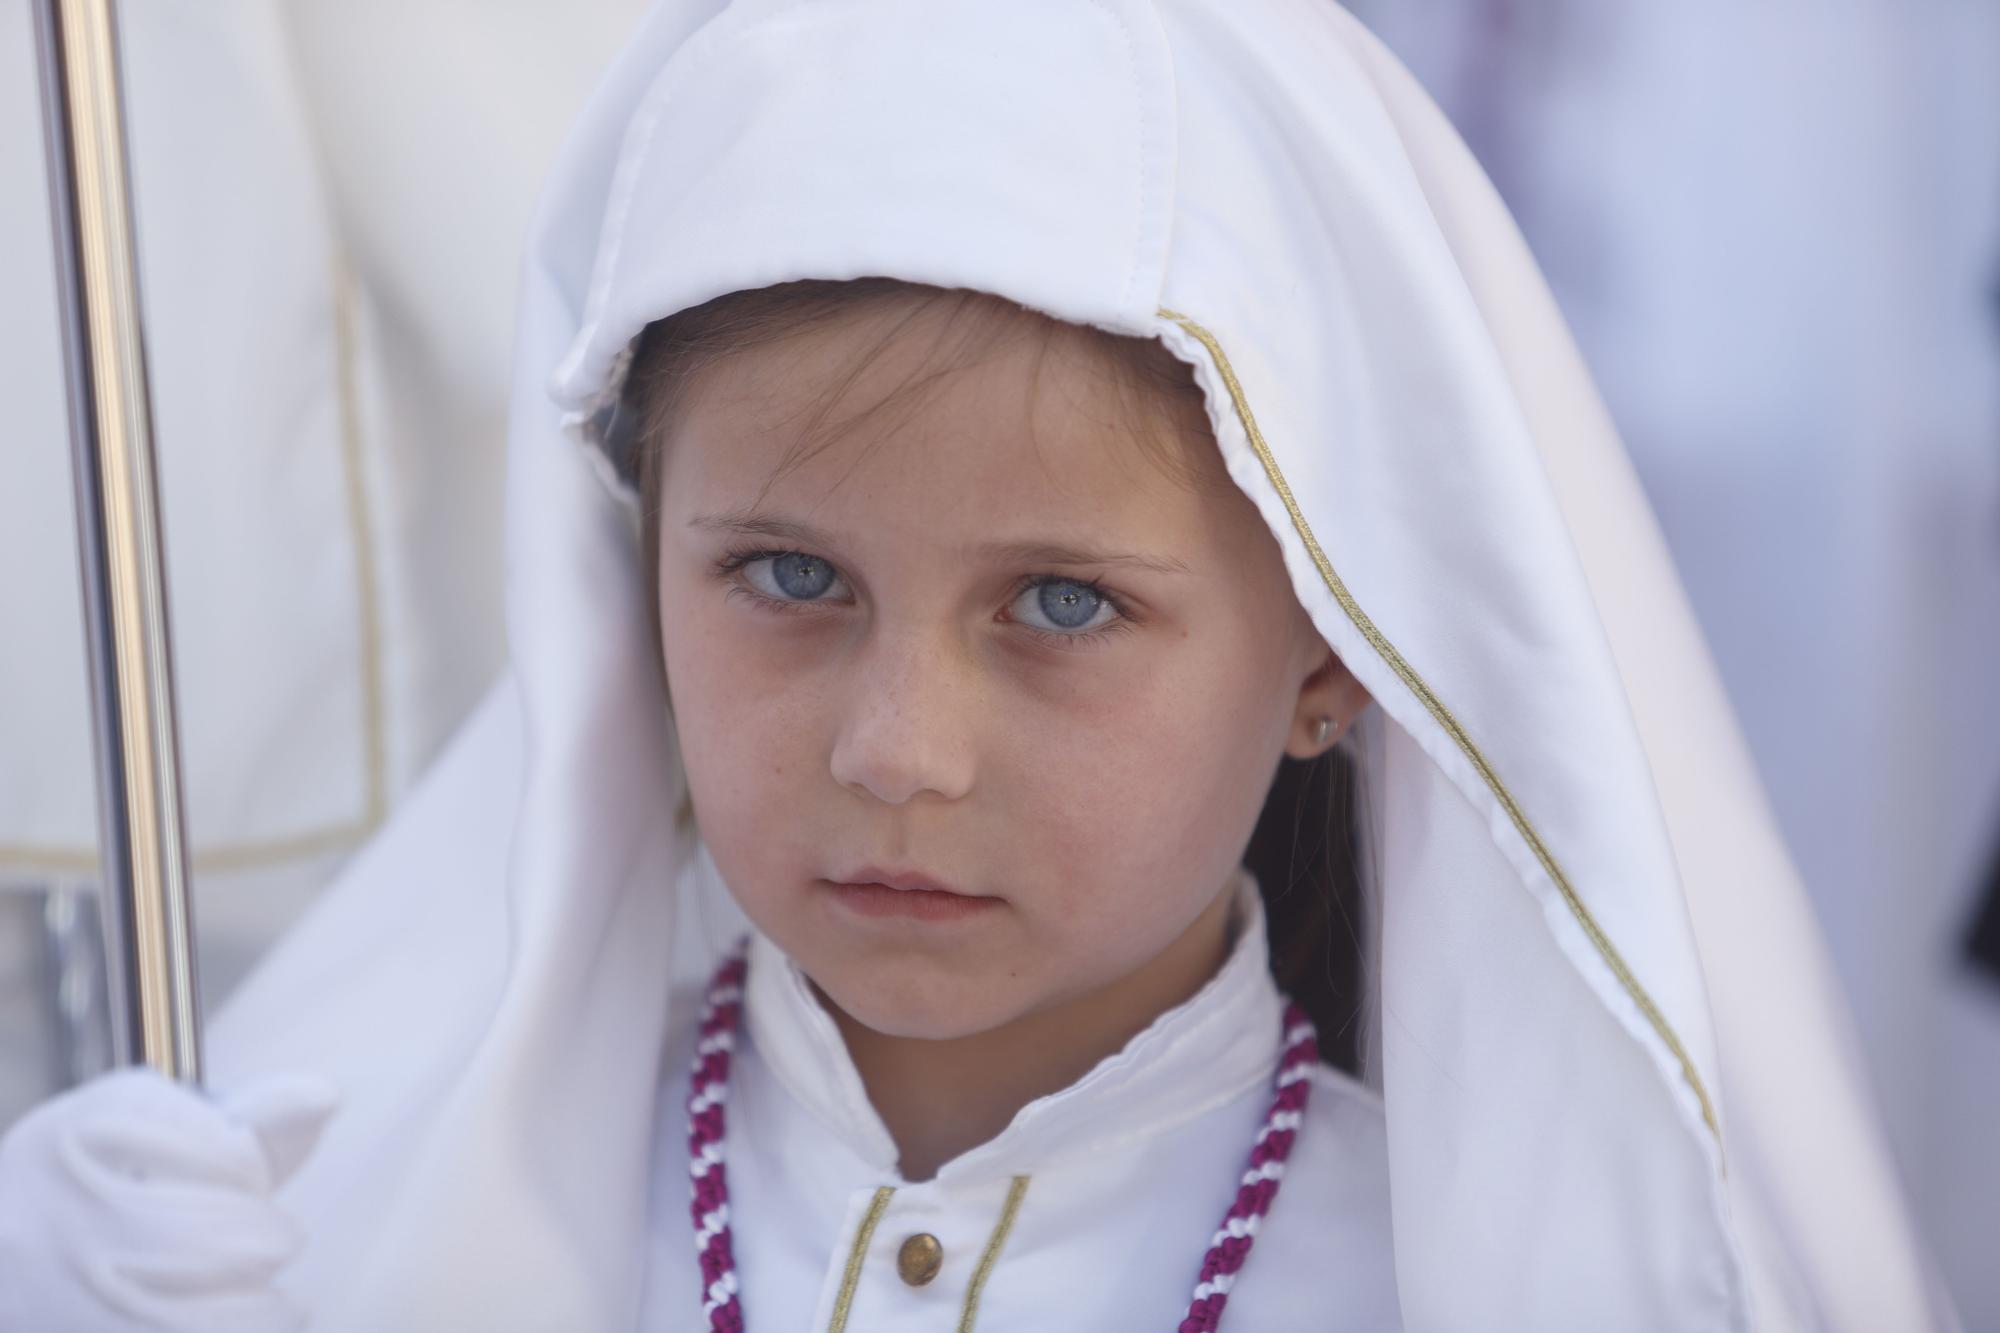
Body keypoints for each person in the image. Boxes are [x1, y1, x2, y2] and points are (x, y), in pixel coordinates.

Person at [0, 0, 1953, 1329]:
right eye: (784, 572)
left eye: (1063, 605)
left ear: (1331, 648)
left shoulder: (1432, 1277)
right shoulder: (357, 1238)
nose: (898, 750)